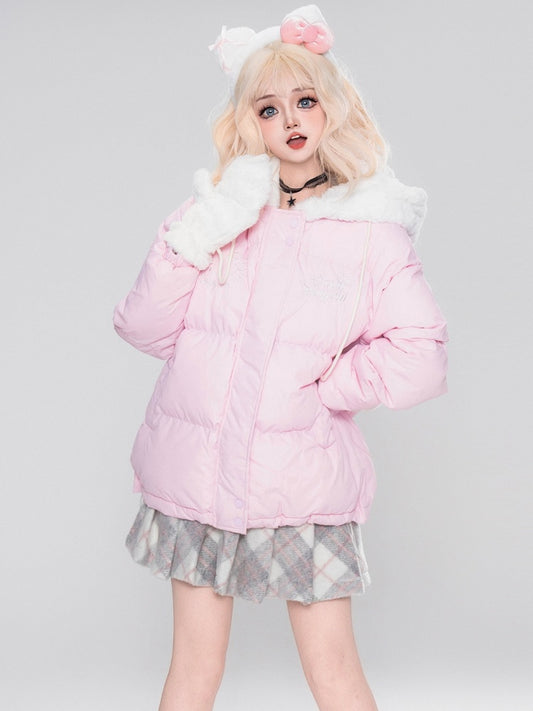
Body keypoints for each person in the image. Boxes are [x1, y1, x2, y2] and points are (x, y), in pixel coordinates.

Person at [113, 5, 448, 710]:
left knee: (333, 672)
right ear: (250, 124)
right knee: (193, 673)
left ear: (332, 108)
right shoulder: (219, 216)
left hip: (302, 487)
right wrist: (201, 230)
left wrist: (329, 388)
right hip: (197, 478)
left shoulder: (371, 234)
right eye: (269, 108)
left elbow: (421, 357)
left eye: (305, 101)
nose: (290, 119)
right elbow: (143, 327)